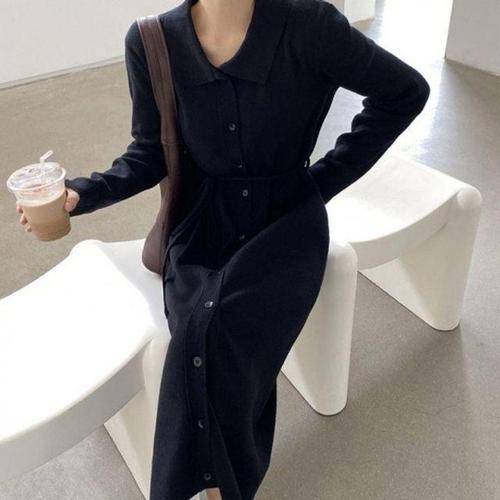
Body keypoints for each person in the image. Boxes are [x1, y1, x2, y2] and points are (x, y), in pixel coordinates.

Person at [17, 0, 430, 498]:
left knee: (223, 337)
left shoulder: (310, 25)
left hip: (286, 227)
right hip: (202, 226)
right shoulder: (152, 40)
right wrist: (81, 195)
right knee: (197, 338)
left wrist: (322, 181)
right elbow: (149, 153)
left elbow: (405, 92)